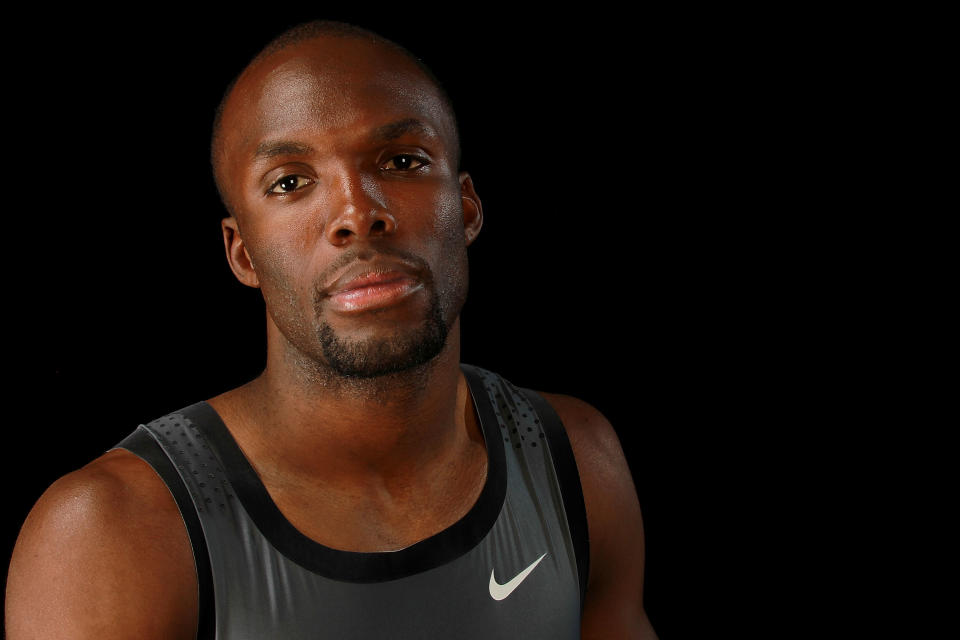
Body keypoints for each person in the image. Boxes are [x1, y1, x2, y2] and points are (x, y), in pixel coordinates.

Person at [6, 20, 655, 639]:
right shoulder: (116, 530)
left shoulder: (572, 459)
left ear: (465, 208)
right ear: (242, 255)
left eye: (401, 161)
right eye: (290, 182)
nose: (355, 213)